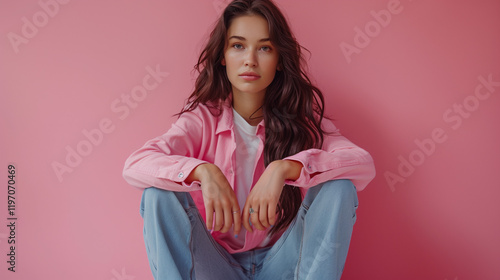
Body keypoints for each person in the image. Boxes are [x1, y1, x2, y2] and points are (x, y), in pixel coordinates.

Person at [122, 0, 375, 279]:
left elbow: (361, 163)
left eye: (264, 48)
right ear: (223, 55)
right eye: (238, 45)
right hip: (215, 266)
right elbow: (136, 165)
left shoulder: (302, 122)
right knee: (157, 195)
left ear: (279, 59)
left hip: (284, 264)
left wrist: (283, 169)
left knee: (339, 188)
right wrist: (204, 172)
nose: (250, 60)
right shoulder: (202, 121)